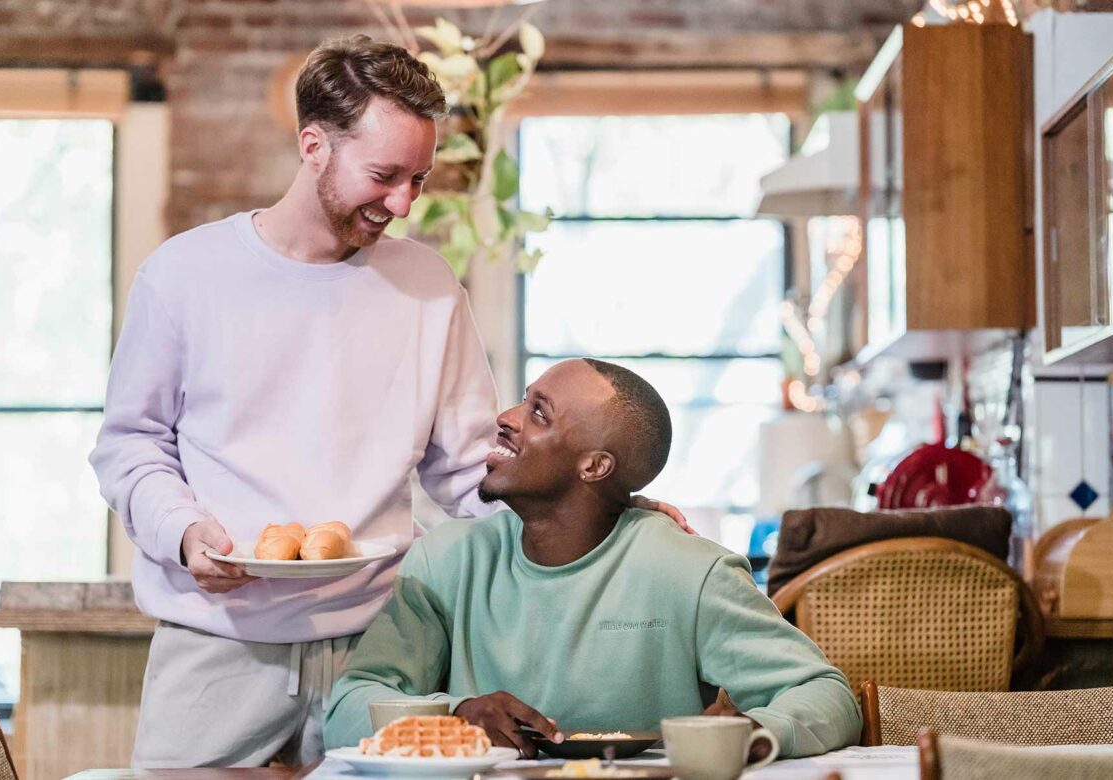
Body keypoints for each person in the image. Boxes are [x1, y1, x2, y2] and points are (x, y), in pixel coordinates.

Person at [90, 36, 684, 769]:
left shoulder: (429, 286)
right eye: (384, 175)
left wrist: (608, 513)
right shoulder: (183, 275)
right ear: (314, 146)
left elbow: (474, 472)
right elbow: (129, 444)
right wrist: (182, 532)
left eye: (419, 179)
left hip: (383, 655)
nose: (402, 202)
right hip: (214, 643)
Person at [324, 358, 862, 761]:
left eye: (538, 412)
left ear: (594, 465)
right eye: (523, 400)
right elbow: (350, 705)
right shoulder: (444, 563)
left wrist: (755, 734)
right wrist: (454, 719)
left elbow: (828, 697)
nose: (505, 418)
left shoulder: (689, 573)